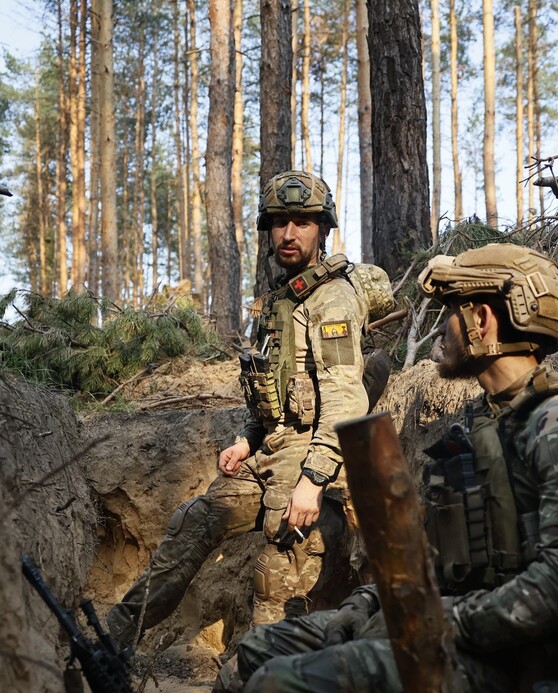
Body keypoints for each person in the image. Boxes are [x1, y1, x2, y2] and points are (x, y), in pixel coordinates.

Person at [188, 243, 558, 693]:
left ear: (483, 321)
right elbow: (431, 560)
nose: (442, 327)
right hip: (453, 633)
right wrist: (366, 604)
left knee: (275, 688)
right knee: (263, 648)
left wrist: (435, 622)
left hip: (512, 668)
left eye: (452, 310)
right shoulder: (478, 426)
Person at [107, 171, 370, 650]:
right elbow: (275, 391)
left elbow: (344, 399)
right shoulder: (280, 302)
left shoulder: (332, 299)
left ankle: (250, 682)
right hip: (271, 450)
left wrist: (313, 483)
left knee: (280, 560)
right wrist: (248, 439)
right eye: (279, 223)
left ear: (323, 230)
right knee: (193, 521)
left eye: (302, 223)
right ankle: (110, 639)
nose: (289, 234)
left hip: (318, 457)